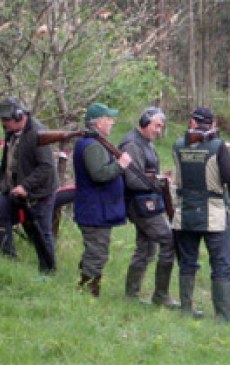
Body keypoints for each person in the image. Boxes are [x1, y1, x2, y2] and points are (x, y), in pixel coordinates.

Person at [172, 106, 230, 321]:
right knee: (221, 264)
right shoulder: (218, 146)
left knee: (187, 261)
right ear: (212, 124)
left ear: (192, 122)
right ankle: (222, 315)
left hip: (185, 212)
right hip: (213, 214)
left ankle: (185, 309)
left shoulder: (177, 145)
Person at [119, 107, 179, 307]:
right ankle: (160, 295)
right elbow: (133, 179)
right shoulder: (132, 144)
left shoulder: (145, 143)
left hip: (147, 203)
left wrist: (159, 180)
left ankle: (131, 295)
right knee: (169, 241)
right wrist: (158, 182)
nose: (158, 130)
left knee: (145, 248)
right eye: (156, 125)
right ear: (145, 122)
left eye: (161, 127)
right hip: (141, 204)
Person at [0, 96, 59, 273]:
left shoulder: (39, 134)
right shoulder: (11, 132)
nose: (4, 124)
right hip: (13, 189)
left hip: (39, 192)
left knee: (41, 232)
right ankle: (9, 262)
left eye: (6, 120)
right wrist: (4, 184)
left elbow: (47, 167)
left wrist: (26, 186)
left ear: (19, 116)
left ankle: (48, 272)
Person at [73, 102, 132, 297]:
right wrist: (120, 165)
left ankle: (87, 288)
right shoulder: (92, 146)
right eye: (109, 119)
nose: (112, 122)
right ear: (98, 123)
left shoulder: (94, 143)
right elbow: (99, 175)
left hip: (97, 209)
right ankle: (87, 294)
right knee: (97, 253)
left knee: (96, 251)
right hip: (95, 210)